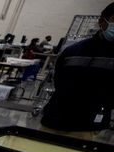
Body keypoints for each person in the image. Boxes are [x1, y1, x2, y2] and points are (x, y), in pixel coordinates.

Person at [41, 2, 114, 137]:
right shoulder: (73, 50)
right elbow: (58, 80)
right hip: (53, 118)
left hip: (86, 126)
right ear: (101, 22)